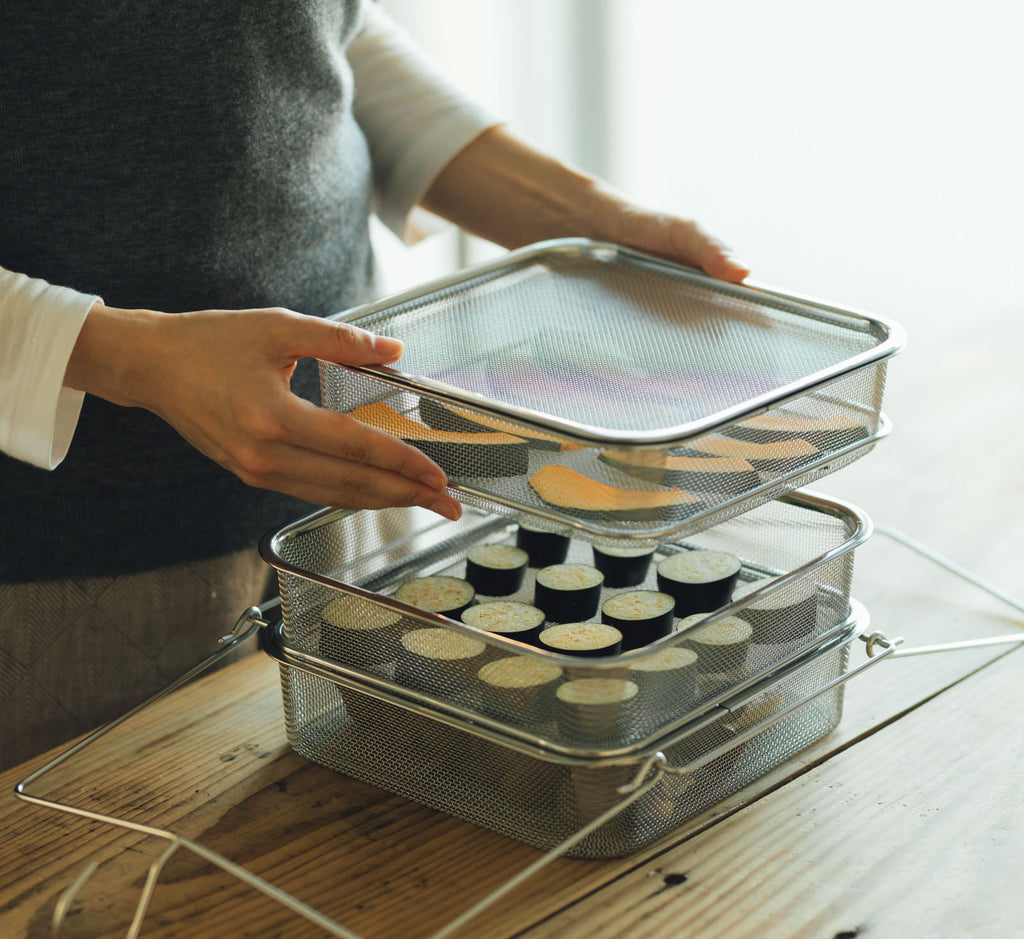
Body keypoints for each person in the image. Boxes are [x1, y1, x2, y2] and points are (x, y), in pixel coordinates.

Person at [0, 0, 748, 770]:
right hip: (62, 565)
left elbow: (304, 35)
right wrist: (131, 358)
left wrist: (588, 217)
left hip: (353, 478)